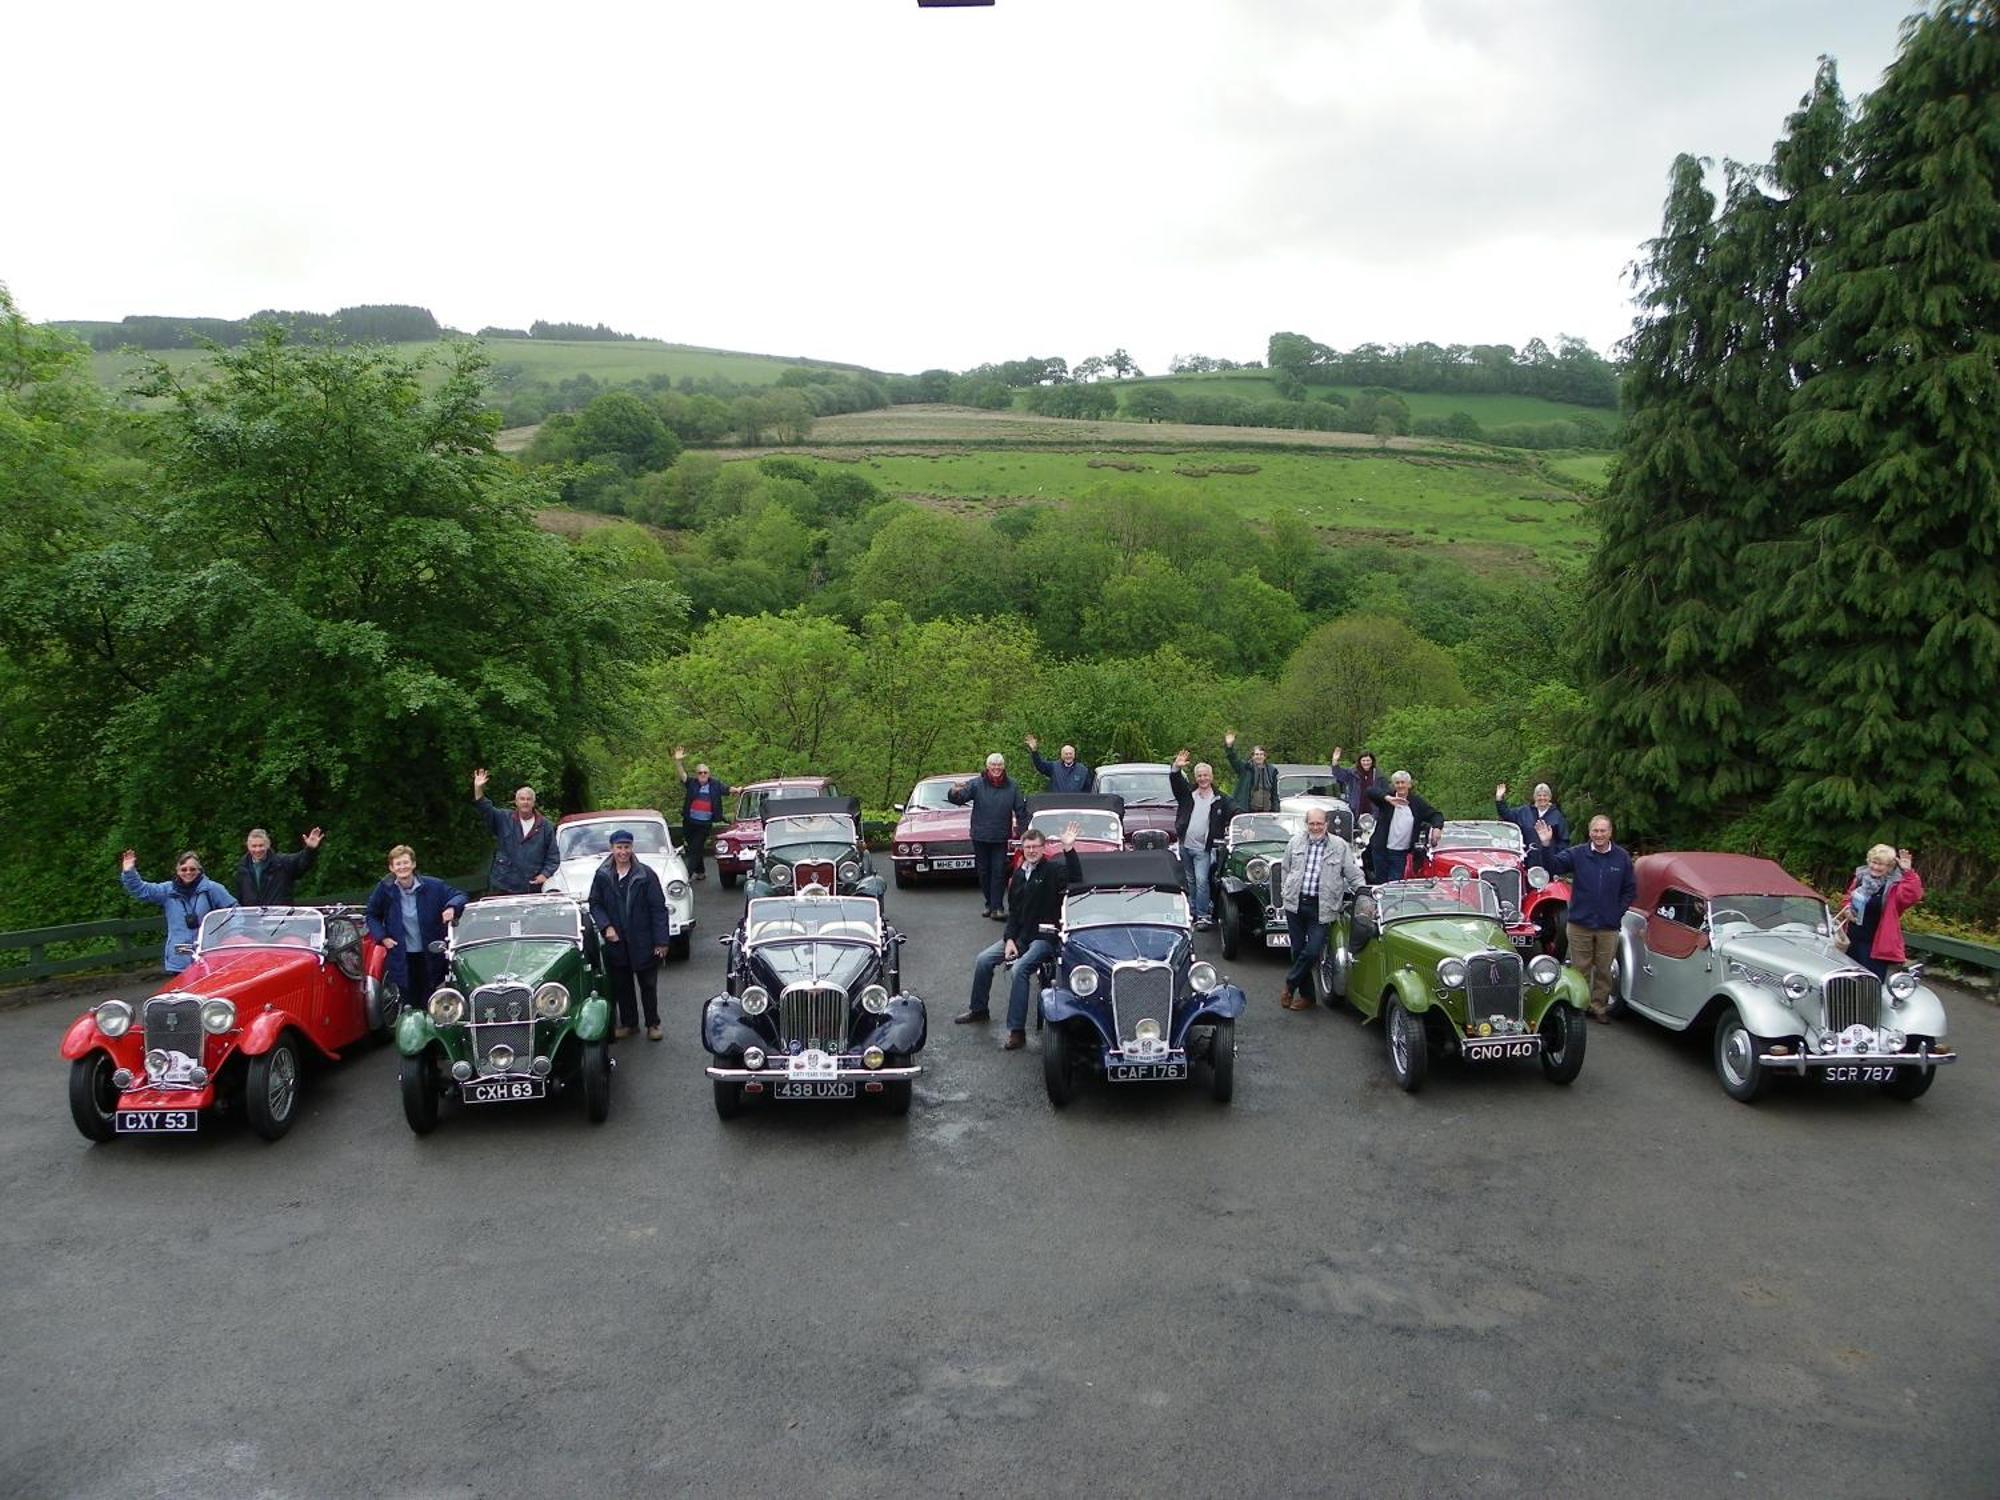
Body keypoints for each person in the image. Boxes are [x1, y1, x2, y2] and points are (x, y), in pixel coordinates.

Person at [955, 823, 1082, 1049]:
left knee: (1019, 969)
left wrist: (1069, 849)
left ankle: (1017, 1031)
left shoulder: (1053, 871)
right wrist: (1010, 940)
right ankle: (979, 1009)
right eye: (1027, 847)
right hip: (1020, 938)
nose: (1031, 851)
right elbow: (1013, 913)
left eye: (1035, 846)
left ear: (1044, 848)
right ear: (1022, 849)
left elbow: (1076, 878)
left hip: (1044, 939)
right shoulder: (1019, 874)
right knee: (983, 960)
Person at [1536, 814, 1636, 1022]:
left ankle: (1598, 1006)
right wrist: (1546, 845)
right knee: (1579, 968)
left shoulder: (1622, 858)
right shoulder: (1578, 854)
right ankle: (1577, 1007)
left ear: (1610, 832)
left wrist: (1617, 912)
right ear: (1589, 832)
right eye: (1595, 831)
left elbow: (1629, 890)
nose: (1598, 835)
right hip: (1580, 923)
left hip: (1608, 925)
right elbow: (1553, 866)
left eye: (1603, 831)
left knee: (1604, 969)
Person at [1276, 807, 1365, 1010]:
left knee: (1312, 950)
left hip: (1322, 907)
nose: (1315, 827)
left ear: (1326, 825)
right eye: (1311, 824)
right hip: (1295, 904)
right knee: (1297, 951)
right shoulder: (1295, 842)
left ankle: (1290, 985)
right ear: (1306, 824)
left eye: (1319, 824)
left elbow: (1353, 874)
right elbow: (1286, 869)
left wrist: (1365, 893)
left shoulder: (1340, 846)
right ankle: (1307, 997)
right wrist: (1285, 892)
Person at [589, 829, 671, 1041]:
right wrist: (606, 926)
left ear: (632, 848)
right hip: (617, 941)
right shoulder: (602, 875)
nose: (623, 852)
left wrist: (661, 941)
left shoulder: (645, 874)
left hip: (643, 939)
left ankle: (653, 1024)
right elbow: (595, 903)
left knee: (648, 985)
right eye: (619, 847)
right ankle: (629, 1024)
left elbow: (658, 908)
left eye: (626, 847)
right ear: (612, 848)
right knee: (622, 985)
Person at [363, 846, 467, 1010]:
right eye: (398, 864)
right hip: (402, 954)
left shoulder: (434, 886)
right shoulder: (384, 889)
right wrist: (382, 937)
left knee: (432, 999)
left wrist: (451, 907)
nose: (402, 867)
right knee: (410, 1002)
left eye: (405, 863)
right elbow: (371, 914)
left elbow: (459, 896)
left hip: (431, 953)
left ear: (413, 864)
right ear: (391, 868)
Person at [121, 849, 236, 974]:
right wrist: (129, 872)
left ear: (199, 870)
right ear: (177, 871)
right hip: (179, 960)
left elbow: (234, 912)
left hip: (208, 958)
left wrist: (233, 936)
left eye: (192, 869)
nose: (188, 872)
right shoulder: (168, 891)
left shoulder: (212, 889)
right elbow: (142, 891)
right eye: (184, 869)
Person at [948, 754, 1027, 920]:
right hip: (980, 835)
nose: (996, 768)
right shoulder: (977, 784)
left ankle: (997, 907)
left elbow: (1020, 811)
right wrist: (954, 790)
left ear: (1004, 767)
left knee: (998, 872)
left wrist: (1024, 834)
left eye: (999, 765)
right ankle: (989, 904)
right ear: (988, 766)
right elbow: (959, 799)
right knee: (984, 872)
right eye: (993, 765)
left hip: (1000, 836)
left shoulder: (1012, 786)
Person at [1169, 749, 1236, 929]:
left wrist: (1247, 827)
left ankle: (1203, 915)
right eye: (1199, 775)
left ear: (1211, 777)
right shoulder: (1187, 794)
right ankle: (1192, 911)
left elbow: (1236, 811)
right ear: (1195, 777)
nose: (1203, 778)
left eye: (1206, 775)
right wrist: (1176, 767)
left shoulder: (1220, 799)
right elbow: (1175, 782)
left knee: (1202, 880)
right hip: (1185, 845)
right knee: (1190, 880)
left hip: (1203, 849)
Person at [1840, 845, 1923, 981]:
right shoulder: (1861, 879)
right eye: (1874, 862)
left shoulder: (1894, 887)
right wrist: (1847, 909)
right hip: (1851, 939)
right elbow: (1848, 898)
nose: (1876, 867)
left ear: (1889, 867)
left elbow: (1913, 895)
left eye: (1881, 864)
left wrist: (1908, 872)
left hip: (1874, 946)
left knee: (1870, 983)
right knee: (1845, 981)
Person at [471, 768, 559, 896]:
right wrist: (478, 789)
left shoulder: (545, 826)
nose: (525, 802)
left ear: (533, 803)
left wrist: (545, 874)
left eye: (529, 799)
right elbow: (485, 808)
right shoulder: (503, 819)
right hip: (502, 885)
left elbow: (553, 857)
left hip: (531, 887)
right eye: (522, 799)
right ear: (516, 802)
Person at [1363, 771, 1443, 884]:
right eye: (1397, 783)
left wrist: (1437, 828)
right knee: (1380, 883)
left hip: (1400, 853)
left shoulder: (1417, 803)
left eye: (1403, 783)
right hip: (1381, 849)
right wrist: (1388, 798)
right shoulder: (1387, 800)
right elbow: (1370, 791)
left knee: (1395, 883)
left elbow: (1436, 815)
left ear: (1409, 785)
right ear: (1394, 785)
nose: (1400, 786)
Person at [672, 747, 729, 881]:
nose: (703, 775)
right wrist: (678, 762)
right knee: (693, 848)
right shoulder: (692, 783)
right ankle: (701, 871)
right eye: (700, 773)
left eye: (705, 772)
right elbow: (682, 775)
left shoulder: (715, 785)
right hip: (689, 822)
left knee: (695, 849)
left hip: (704, 824)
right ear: (697, 774)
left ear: (709, 774)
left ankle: (686, 876)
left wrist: (738, 790)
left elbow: (728, 790)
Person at [234, 826, 324, 906]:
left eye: (261, 845)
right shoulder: (243, 868)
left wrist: (310, 849)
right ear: (248, 846)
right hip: (253, 920)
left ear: (268, 845)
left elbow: (302, 863)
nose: (257, 850)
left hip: (279, 919)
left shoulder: (282, 863)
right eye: (254, 846)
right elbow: (240, 897)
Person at [1495, 782, 1567, 870]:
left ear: (1550, 797)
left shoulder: (1557, 816)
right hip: (1527, 861)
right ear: (1534, 797)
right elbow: (1506, 814)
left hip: (1548, 863)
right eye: (1539, 795)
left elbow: (1563, 841)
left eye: (1545, 795)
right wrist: (1499, 800)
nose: (1542, 798)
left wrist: (1557, 859)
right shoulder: (1524, 812)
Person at [1222, 731, 1280, 813]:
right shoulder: (1245, 768)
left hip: (1267, 812)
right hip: (1248, 811)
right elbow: (1233, 760)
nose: (1259, 756)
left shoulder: (1272, 771)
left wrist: (1276, 811)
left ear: (1265, 756)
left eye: (1261, 754)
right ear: (1252, 756)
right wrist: (1229, 747)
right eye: (1256, 754)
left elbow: (1274, 794)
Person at [1328, 748, 1386, 820]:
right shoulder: (1353, 774)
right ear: (1360, 761)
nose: (1366, 763)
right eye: (1363, 761)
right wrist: (1335, 761)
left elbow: (1384, 793)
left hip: (1374, 812)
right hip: (1356, 811)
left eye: (1368, 760)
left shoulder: (1379, 775)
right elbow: (1339, 775)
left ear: (1372, 761)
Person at [1025, 734, 1094, 794]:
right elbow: (1040, 766)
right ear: (1061, 755)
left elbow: (1088, 791)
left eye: (1070, 753)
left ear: (1074, 755)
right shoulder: (1054, 767)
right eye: (1066, 754)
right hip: (1057, 805)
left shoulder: (1083, 770)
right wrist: (1034, 751)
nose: (1068, 756)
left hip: (1076, 806)